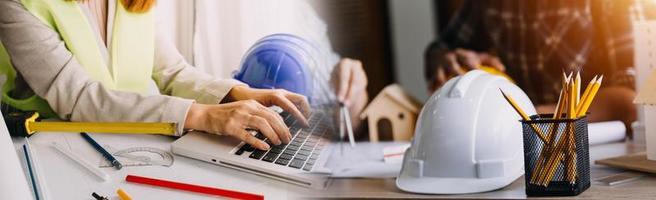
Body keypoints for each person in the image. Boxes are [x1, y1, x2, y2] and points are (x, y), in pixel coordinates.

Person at [0, 0, 365, 151]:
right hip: (56, 152)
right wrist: (201, 114)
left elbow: (171, 71)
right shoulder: (17, 4)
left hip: (132, 145)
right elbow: (79, 98)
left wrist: (237, 93)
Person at [425, 0, 650, 133]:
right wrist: (449, 59)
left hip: (596, 145)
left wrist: (530, 115)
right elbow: (440, 49)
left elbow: (633, 101)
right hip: (518, 144)